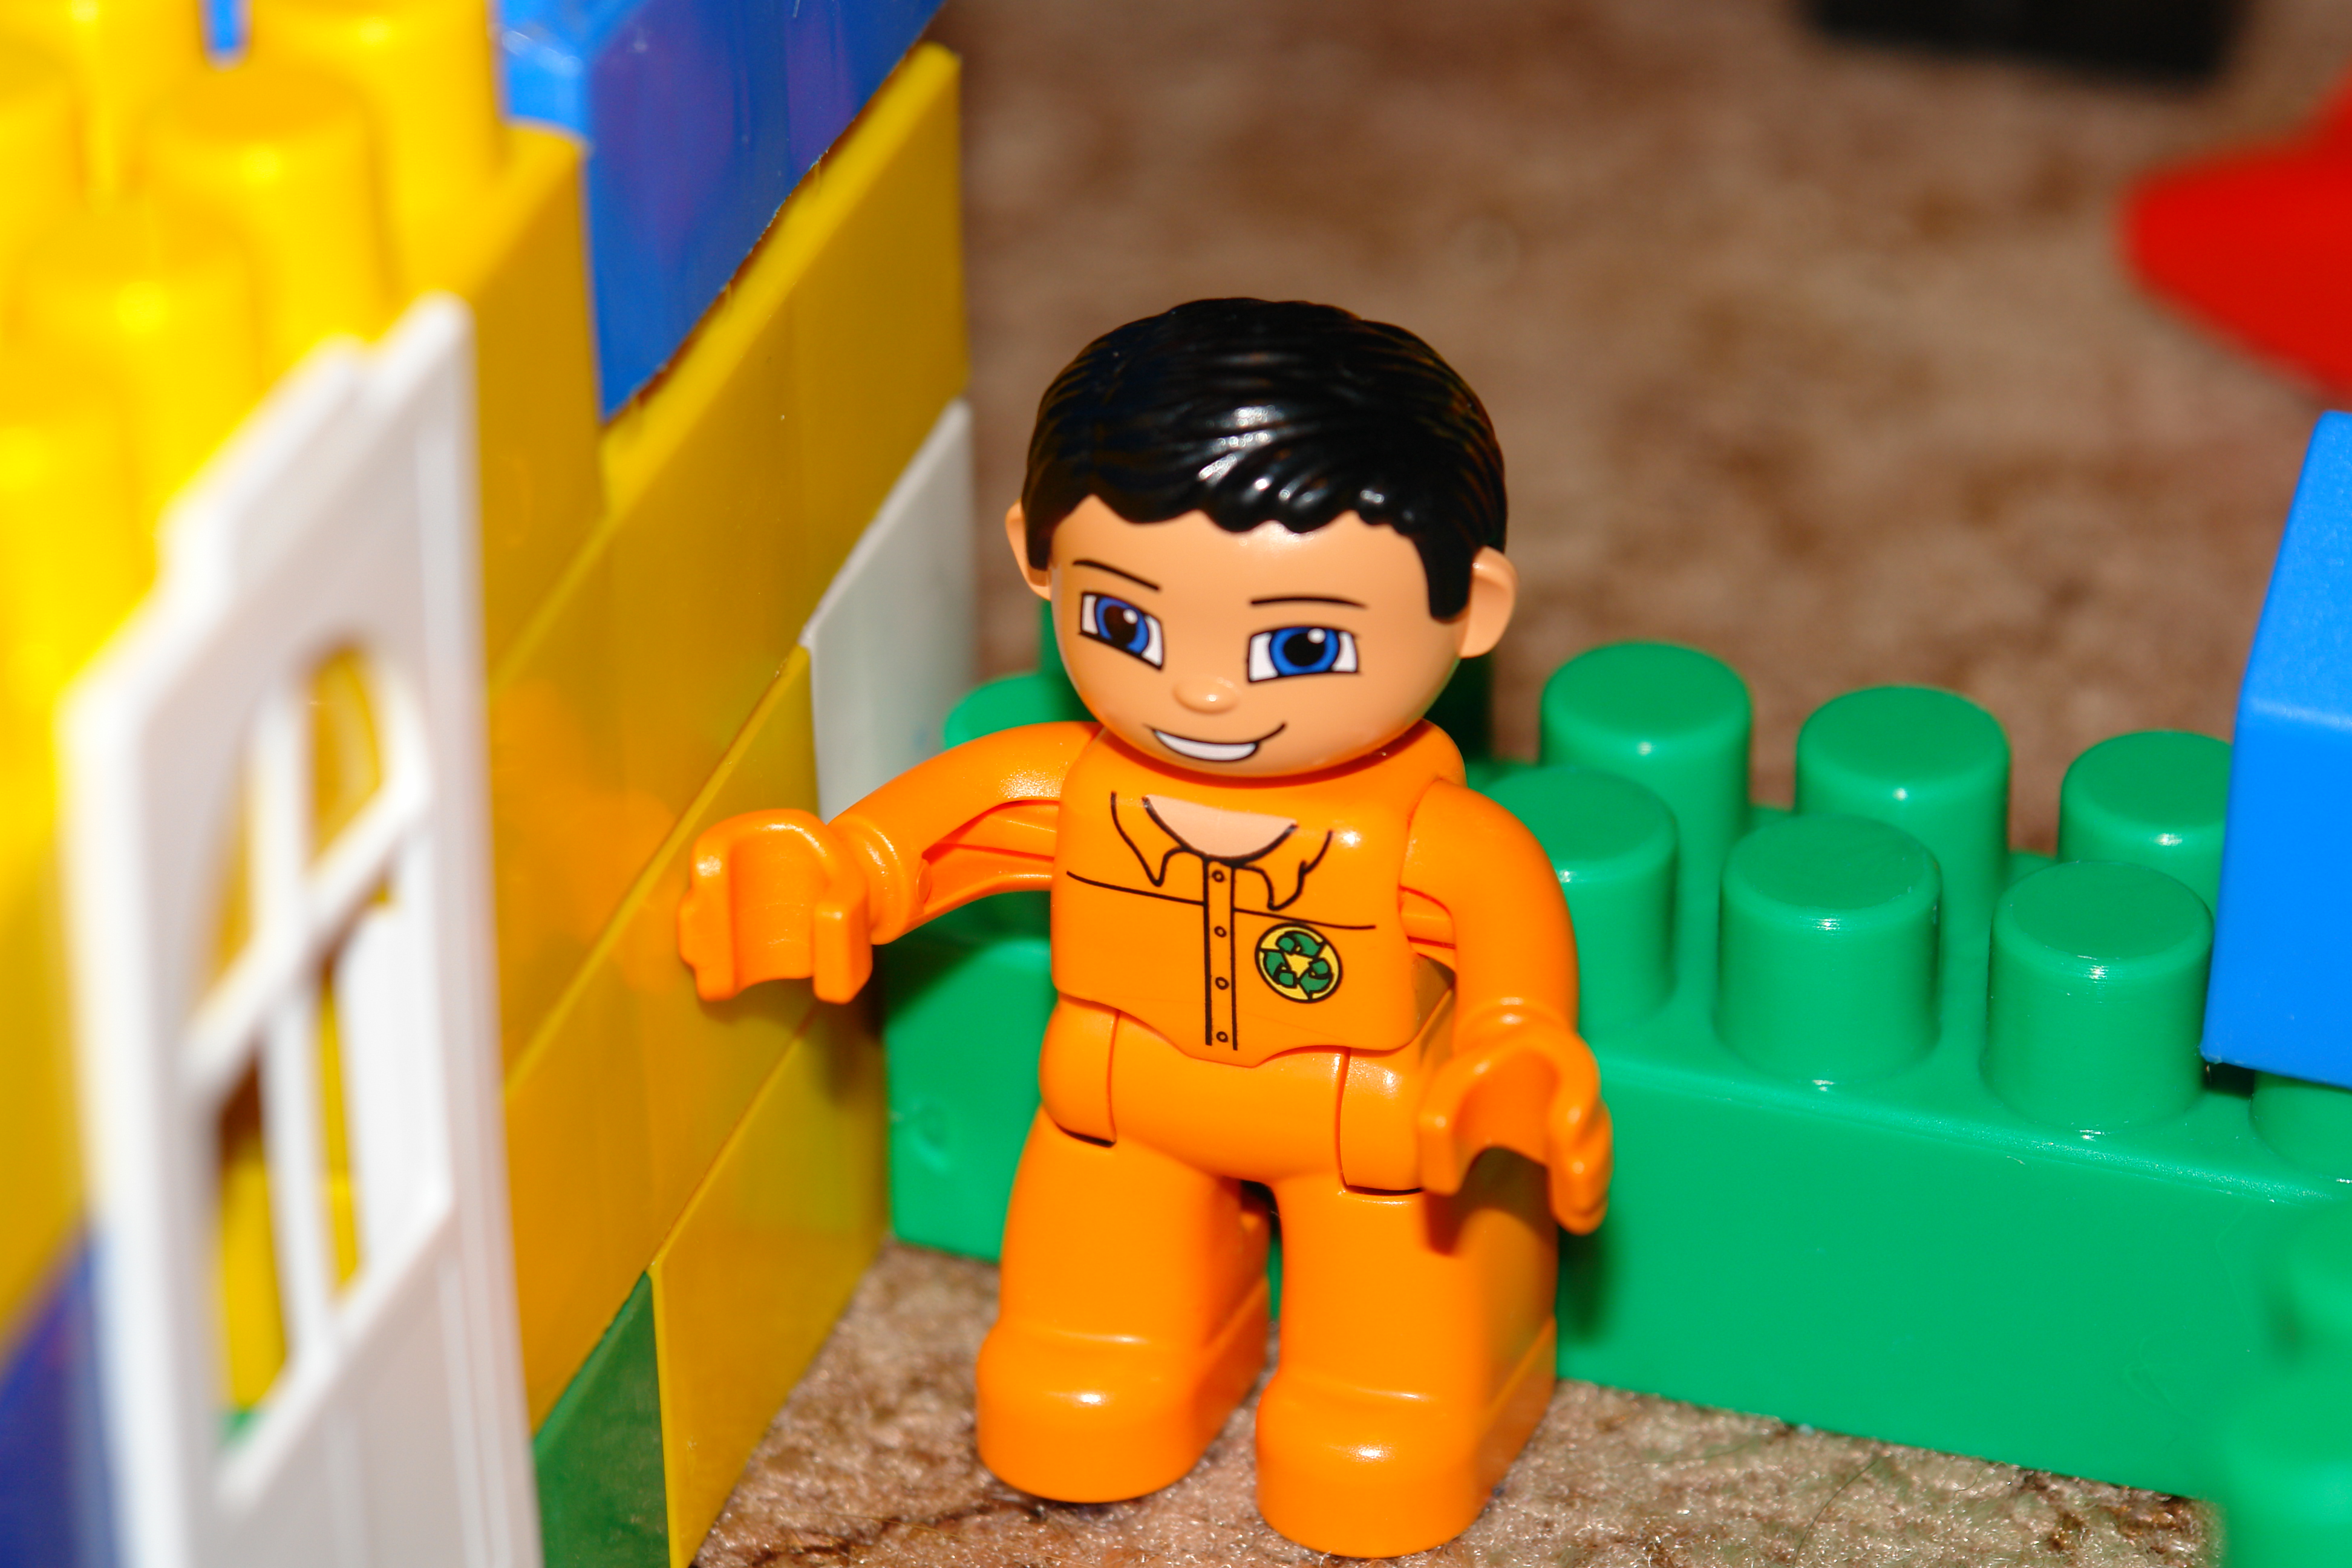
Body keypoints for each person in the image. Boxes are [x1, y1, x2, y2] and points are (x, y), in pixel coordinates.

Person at [677, 297, 1612, 1558]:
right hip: (1123, 1101)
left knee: (1392, 1331)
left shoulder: (1429, 838)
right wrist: (839, 875)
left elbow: (1512, 953)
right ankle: (1118, 1342)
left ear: (1474, 610)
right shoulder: (1068, 785)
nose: (1205, 691)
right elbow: (930, 840)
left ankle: (1395, 1390)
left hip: (1364, 1130)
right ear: (1037, 557)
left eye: (1300, 644)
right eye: (1128, 624)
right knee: (1082, 1321)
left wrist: (1511, 1051)